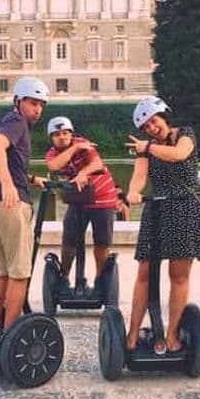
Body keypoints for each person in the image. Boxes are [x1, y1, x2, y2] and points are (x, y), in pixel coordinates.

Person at [125, 96, 200, 354]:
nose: (152, 128)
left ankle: (172, 335)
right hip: (157, 208)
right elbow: (139, 177)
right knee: (144, 272)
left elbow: (178, 154)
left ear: (164, 116)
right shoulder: (145, 148)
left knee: (178, 275)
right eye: (147, 127)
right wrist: (133, 193)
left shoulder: (185, 134)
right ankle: (131, 335)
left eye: (154, 121)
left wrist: (147, 147)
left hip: (185, 209)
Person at [0, 77, 49, 359]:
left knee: (2, 271)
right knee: (20, 274)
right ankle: (9, 336)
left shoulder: (7, 122)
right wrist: (8, 184)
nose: (37, 109)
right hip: (9, 204)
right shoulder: (16, 122)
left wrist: (27, 179)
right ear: (18, 102)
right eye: (32, 102)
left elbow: (6, 159)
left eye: (41, 104)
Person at [44, 115, 118, 290]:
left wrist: (83, 172)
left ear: (72, 133)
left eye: (65, 133)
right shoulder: (54, 153)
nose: (62, 137)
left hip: (102, 197)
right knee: (69, 240)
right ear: (51, 138)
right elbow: (53, 166)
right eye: (57, 134)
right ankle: (63, 278)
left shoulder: (84, 143)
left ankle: (100, 281)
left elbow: (97, 163)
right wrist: (74, 148)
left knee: (102, 243)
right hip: (79, 200)